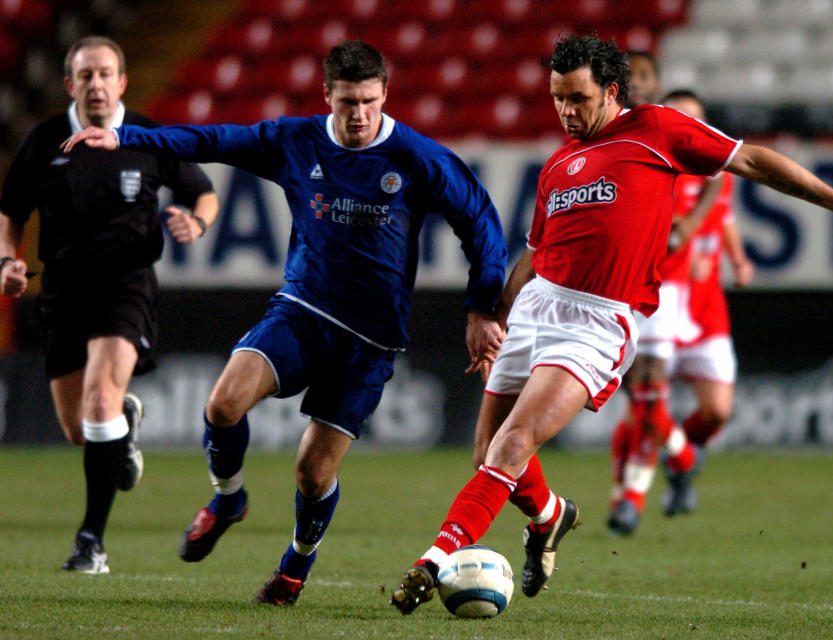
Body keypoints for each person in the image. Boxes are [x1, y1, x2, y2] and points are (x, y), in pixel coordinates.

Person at [388, 35, 833, 614]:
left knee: (512, 444)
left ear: (610, 91)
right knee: (487, 454)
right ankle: (553, 516)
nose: (566, 111)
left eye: (577, 98)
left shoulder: (658, 129)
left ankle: (433, 559)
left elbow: (752, 160)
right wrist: (495, 316)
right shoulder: (558, 164)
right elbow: (534, 252)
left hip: (597, 321)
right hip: (535, 308)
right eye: (557, 99)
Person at [62, 40, 507, 605]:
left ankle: (296, 564)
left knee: (312, 473)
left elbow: (481, 222)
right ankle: (228, 498)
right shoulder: (296, 140)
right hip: (302, 310)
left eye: (369, 101)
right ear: (327, 95)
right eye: (347, 102)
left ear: (385, 95)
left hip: (369, 343)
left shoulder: (417, 158)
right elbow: (211, 140)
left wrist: (480, 306)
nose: (359, 115)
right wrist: (127, 137)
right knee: (222, 404)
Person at [0, 36, 219, 574]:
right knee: (82, 429)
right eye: (85, 75)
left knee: (97, 408)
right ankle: (124, 416)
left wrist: (199, 221)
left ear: (121, 81)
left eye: (105, 74)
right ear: (69, 83)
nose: (95, 84)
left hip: (126, 286)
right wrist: (7, 260)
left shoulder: (146, 137)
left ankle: (89, 542)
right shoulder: (44, 141)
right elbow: (11, 212)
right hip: (62, 291)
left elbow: (203, 192)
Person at [610, 90, 756, 533]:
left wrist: (737, 257)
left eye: (700, 120)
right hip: (662, 297)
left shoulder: (719, 174)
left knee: (716, 412)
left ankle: (678, 460)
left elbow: (724, 217)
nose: (694, 130)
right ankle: (630, 498)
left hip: (706, 309)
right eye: (682, 119)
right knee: (646, 404)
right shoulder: (653, 172)